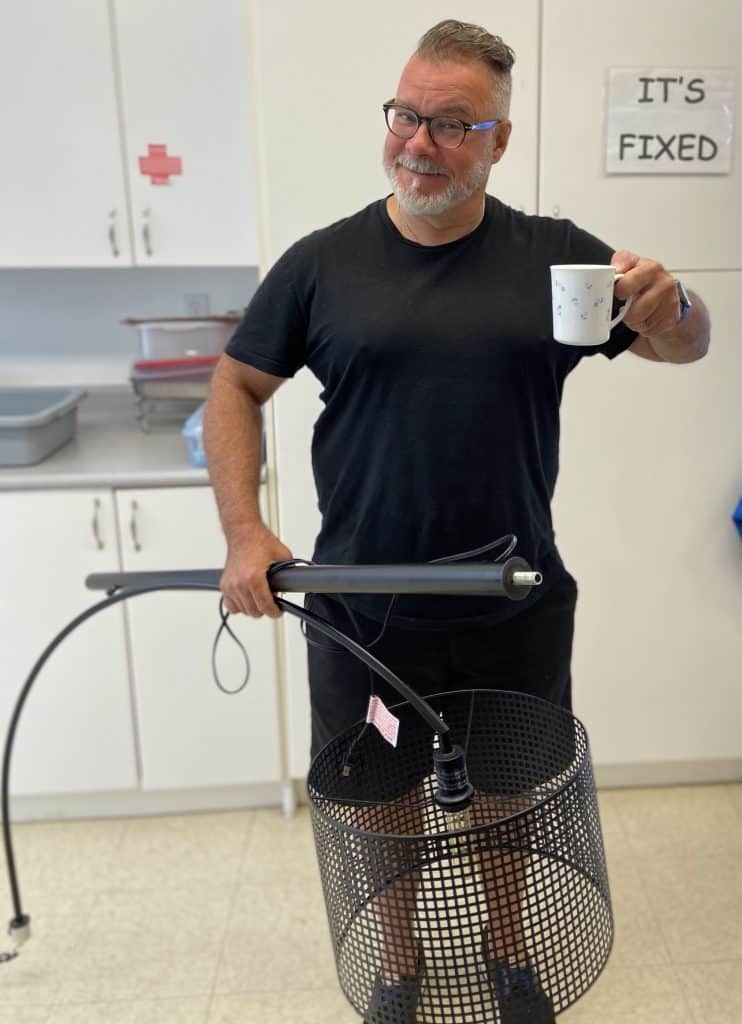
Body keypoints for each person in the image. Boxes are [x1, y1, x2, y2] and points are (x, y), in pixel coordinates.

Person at [203, 19, 710, 1024]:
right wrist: (243, 533)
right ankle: (397, 965)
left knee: (510, 793)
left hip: (512, 597)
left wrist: (674, 300)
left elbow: (681, 346)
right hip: (360, 605)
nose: (417, 142)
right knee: (376, 803)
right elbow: (234, 384)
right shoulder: (321, 265)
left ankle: (511, 948)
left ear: (497, 140)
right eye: (404, 116)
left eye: (449, 123)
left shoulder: (554, 260)